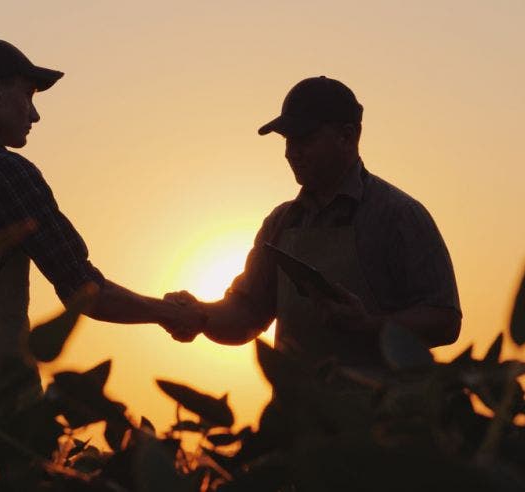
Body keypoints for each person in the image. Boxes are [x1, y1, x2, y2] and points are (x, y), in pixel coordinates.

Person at [0, 39, 204, 396]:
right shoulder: (5, 172)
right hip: (1, 417)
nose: (34, 114)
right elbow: (84, 290)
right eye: (29, 95)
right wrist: (171, 314)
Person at [165, 76, 461, 368]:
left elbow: (445, 322)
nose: (291, 152)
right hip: (297, 414)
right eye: (288, 140)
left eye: (304, 139)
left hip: (380, 413)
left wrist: (371, 325)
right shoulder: (281, 223)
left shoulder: (399, 216)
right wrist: (198, 314)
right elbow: (247, 316)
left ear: (348, 136)